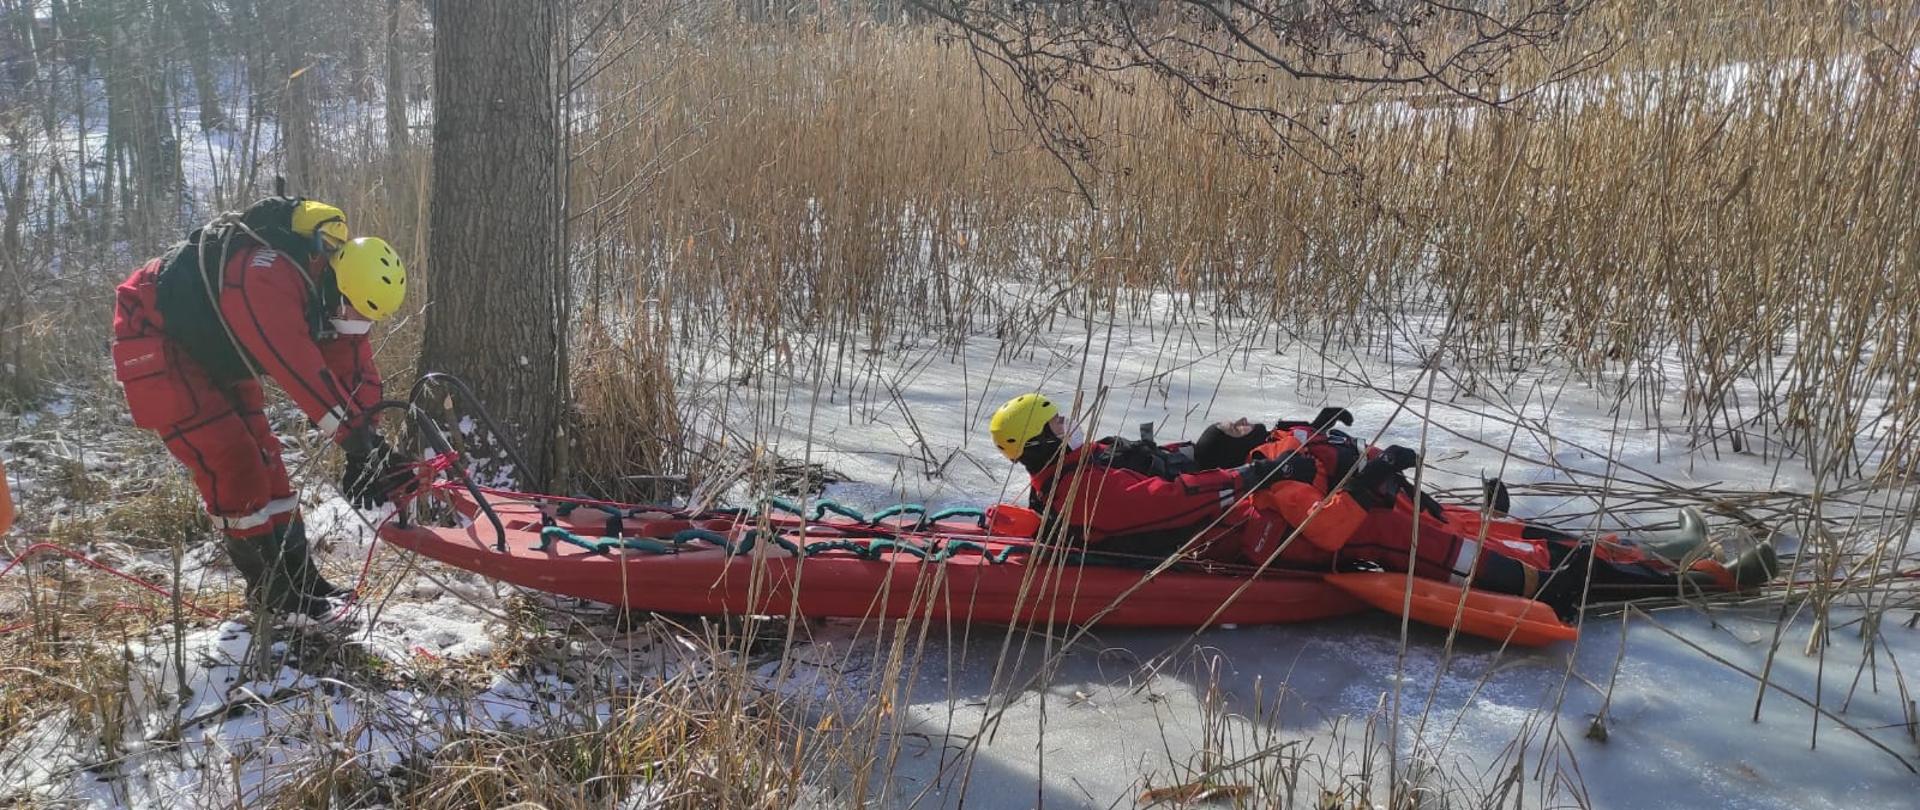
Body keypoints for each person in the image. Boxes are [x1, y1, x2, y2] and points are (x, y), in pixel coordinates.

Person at [988, 393, 1778, 615]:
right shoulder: (1091, 493)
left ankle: (1647, 553)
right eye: (1058, 422)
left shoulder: (1079, 474)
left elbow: (1175, 474)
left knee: (1453, 520)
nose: (1073, 424)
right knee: (1451, 545)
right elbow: (1162, 505)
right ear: (1042, 439)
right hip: (1271, 539)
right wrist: (1247, 479)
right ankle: (1699, 581)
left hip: (1271, 517)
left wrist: (1251, 449)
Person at [111, 196, 417, 621]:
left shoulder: (339, 289)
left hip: (215, 349)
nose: (355, 324)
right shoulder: (269, 279)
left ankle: (303, 583)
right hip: (157, 334)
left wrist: (371, 438)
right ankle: (271, 593)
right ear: (335, 281)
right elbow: (299, 369)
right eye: (354, 312)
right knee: (233, 459)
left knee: (267, 460)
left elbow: (354, 368)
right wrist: (354, 441)